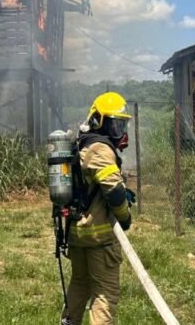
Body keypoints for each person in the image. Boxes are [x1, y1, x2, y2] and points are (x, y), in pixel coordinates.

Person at [62, 92, 134, 325]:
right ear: (97, 121)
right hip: (99, 237)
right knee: (104, 294)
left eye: (121, 125)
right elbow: (113, 190)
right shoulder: (101, 149)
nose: (118, 132)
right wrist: (125, 217)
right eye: (113, 125)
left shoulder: (81, 144)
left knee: (79, 284)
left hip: (77, 233)